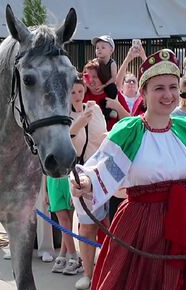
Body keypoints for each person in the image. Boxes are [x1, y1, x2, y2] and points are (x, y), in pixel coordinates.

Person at [70, 49, 186, 290]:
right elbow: (102, 167)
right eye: (159, 88)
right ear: (143, 93)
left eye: (173, 87)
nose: (168, 95)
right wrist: (85, 182)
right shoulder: (130, 130)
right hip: (140, 227)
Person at [67, 78, 108, 289]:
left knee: (109, 224)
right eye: (73, 91)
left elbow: (103, 137)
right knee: (86, 226)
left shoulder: (95, 109)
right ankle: (87, 273)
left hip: (104, 172)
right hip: (81, 175)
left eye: (80, 90)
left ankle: (108, 268)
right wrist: (78, 123)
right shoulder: (66, 117)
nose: (77, 95)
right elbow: (66, 143)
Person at [82, 60, 129, 131]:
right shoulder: (80, 95)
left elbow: (130, 121)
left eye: (95, 77)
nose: (91, 80)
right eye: (87, 76)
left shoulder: (113, 94)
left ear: (103, 77)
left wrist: (117, 107)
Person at [91, 35, 119, 120]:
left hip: (108, 84)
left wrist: (104, 85)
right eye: (97, 48)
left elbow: (114, 78)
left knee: (113, 88)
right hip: (97, 84)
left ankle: (110, 109)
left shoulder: (112, 63)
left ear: (111, 50)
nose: (99, 49)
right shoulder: (95, 62)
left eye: (103, 47)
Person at [115, 44, 147, 118]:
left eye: (134, 81)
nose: (131, 83)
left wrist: (143, 55)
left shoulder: (141, 96)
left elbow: (151, 75)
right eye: (128, 81)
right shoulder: (120, 97)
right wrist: (128, 58)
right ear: (122, 86)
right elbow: (118, 81)